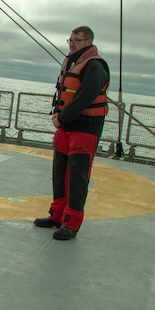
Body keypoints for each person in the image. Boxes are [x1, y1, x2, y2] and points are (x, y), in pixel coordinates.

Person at [34, 26, 110, 240]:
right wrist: (62, 120)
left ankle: (72, 223)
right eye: (71, 39)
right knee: (59, 172)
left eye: (78, 40)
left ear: (89, 41)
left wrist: (62, 118)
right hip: (66, 127)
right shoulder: (72, 62)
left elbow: (85, 97)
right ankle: (57, 215)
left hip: (85, 127)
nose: (72, 43)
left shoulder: (95, 66)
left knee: (77, 176)